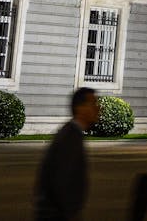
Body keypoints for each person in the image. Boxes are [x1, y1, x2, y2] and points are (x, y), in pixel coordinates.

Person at [34, 87, 99, 220]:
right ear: (80, 108)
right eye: (93, 104)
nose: (98, 109)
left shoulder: (71, 132)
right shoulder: (71, 137)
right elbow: (61, 181)